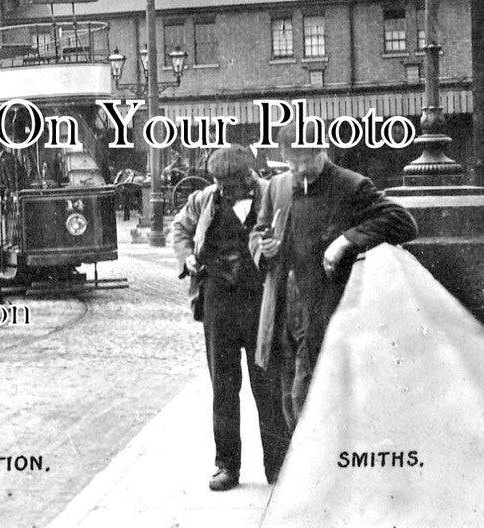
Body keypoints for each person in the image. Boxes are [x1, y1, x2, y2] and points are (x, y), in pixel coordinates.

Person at [250, 121, 417, 431]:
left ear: (322, 151)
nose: (299, 170)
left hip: (326, 310)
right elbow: (260, 231)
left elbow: (403, 221)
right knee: (286, 398)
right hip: (284, 309)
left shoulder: (351, 185)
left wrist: (346, 240)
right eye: (292, 163)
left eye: (305, 161)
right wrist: (264, 246)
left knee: (308, 397)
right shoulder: (278, 186)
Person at [171, 145, 289, 491]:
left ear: (248, 175)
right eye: (218, 182)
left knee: (267, 385)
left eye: (230, 183)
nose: (223, 189)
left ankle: (278, 465)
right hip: (217, 300)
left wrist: (277, 247)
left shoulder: (271, 195)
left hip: (259, 301)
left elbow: (290, 234)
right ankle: (227, 466)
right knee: (223, 388)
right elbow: (180, 229)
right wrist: (187, 257)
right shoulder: (204, 199)